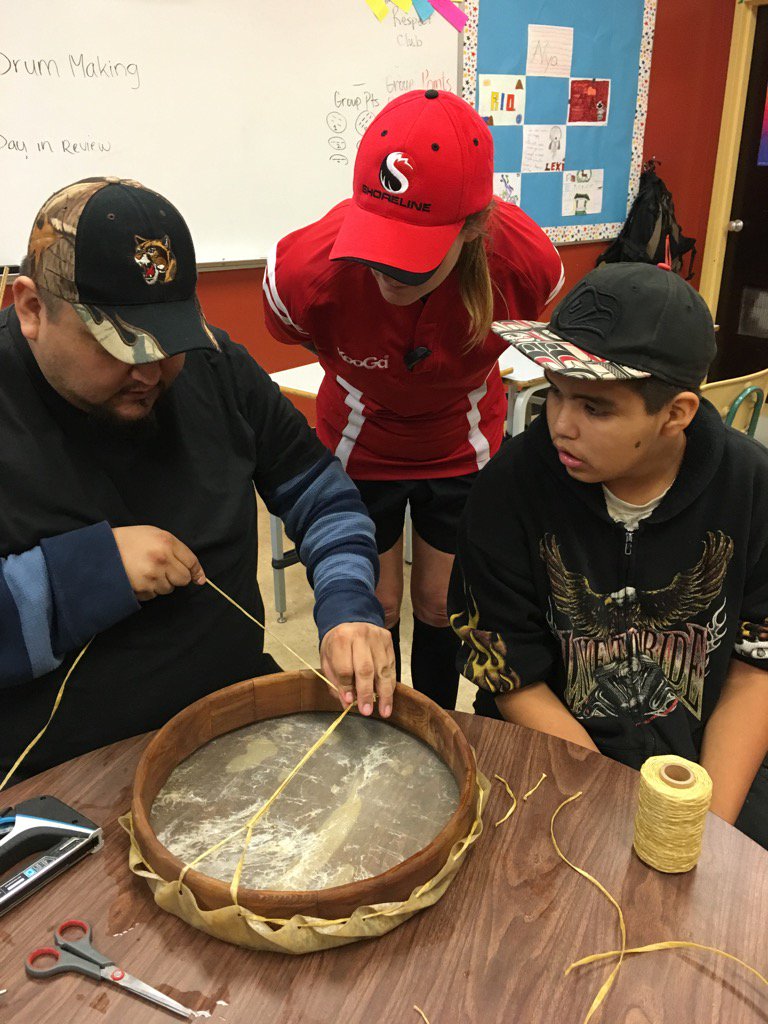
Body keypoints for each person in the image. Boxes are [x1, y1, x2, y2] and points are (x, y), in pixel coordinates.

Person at [0, 177, 395, 783]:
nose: (153, 372)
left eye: (171, 340)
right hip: (61, 774)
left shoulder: (215, 369)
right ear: (31, 308)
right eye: (122, 346)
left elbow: (326, 500)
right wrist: (84, 575)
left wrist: (348, 606)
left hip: (234, 730)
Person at [448, 262, 768, 845]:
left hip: (700, 761)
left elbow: (755, 669)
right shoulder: (508, 489)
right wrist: (599, 805)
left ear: (676, 414)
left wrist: (702, 826)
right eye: (555, 394)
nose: (560, 426)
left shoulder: (751, 488)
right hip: (548, 750)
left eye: (595, 408)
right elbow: (509, 673)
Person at [263, 89, 563, 709]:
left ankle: (433, 719)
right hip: (359, 443)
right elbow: (294, 331)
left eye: (411, 266)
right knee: (380, 602)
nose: (386, 277)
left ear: (475, 227)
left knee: (435, 601)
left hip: (461, 442)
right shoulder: (305, 272)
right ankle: (385, 727)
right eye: (375, 255)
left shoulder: (523, 264)